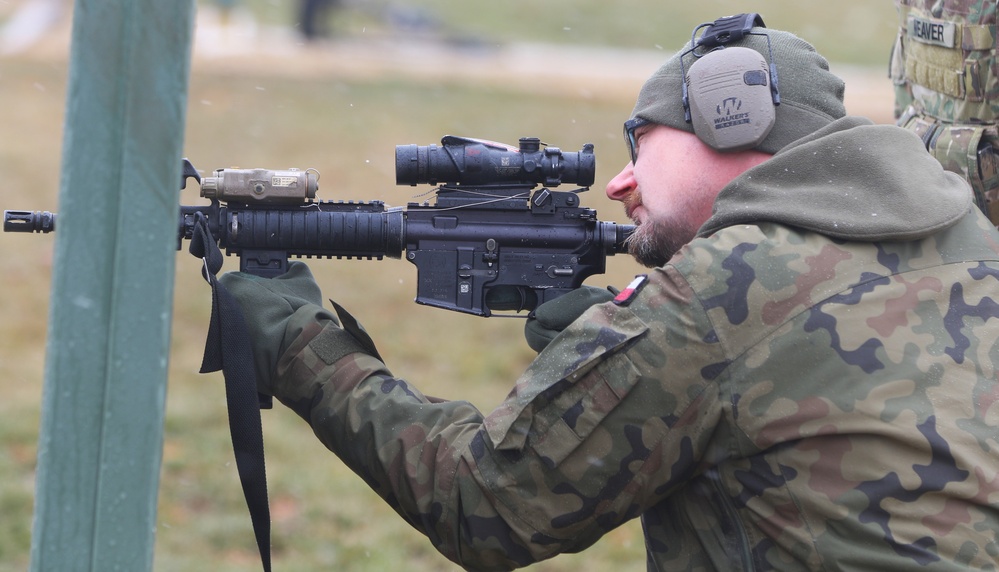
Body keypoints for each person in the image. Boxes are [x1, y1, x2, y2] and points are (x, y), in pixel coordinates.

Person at [220, 14, 999, 570]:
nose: (622, 180)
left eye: (642, 140)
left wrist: (300, 342)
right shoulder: (972, 248)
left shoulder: (722, 290)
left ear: (731, 122)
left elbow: (484, 504)